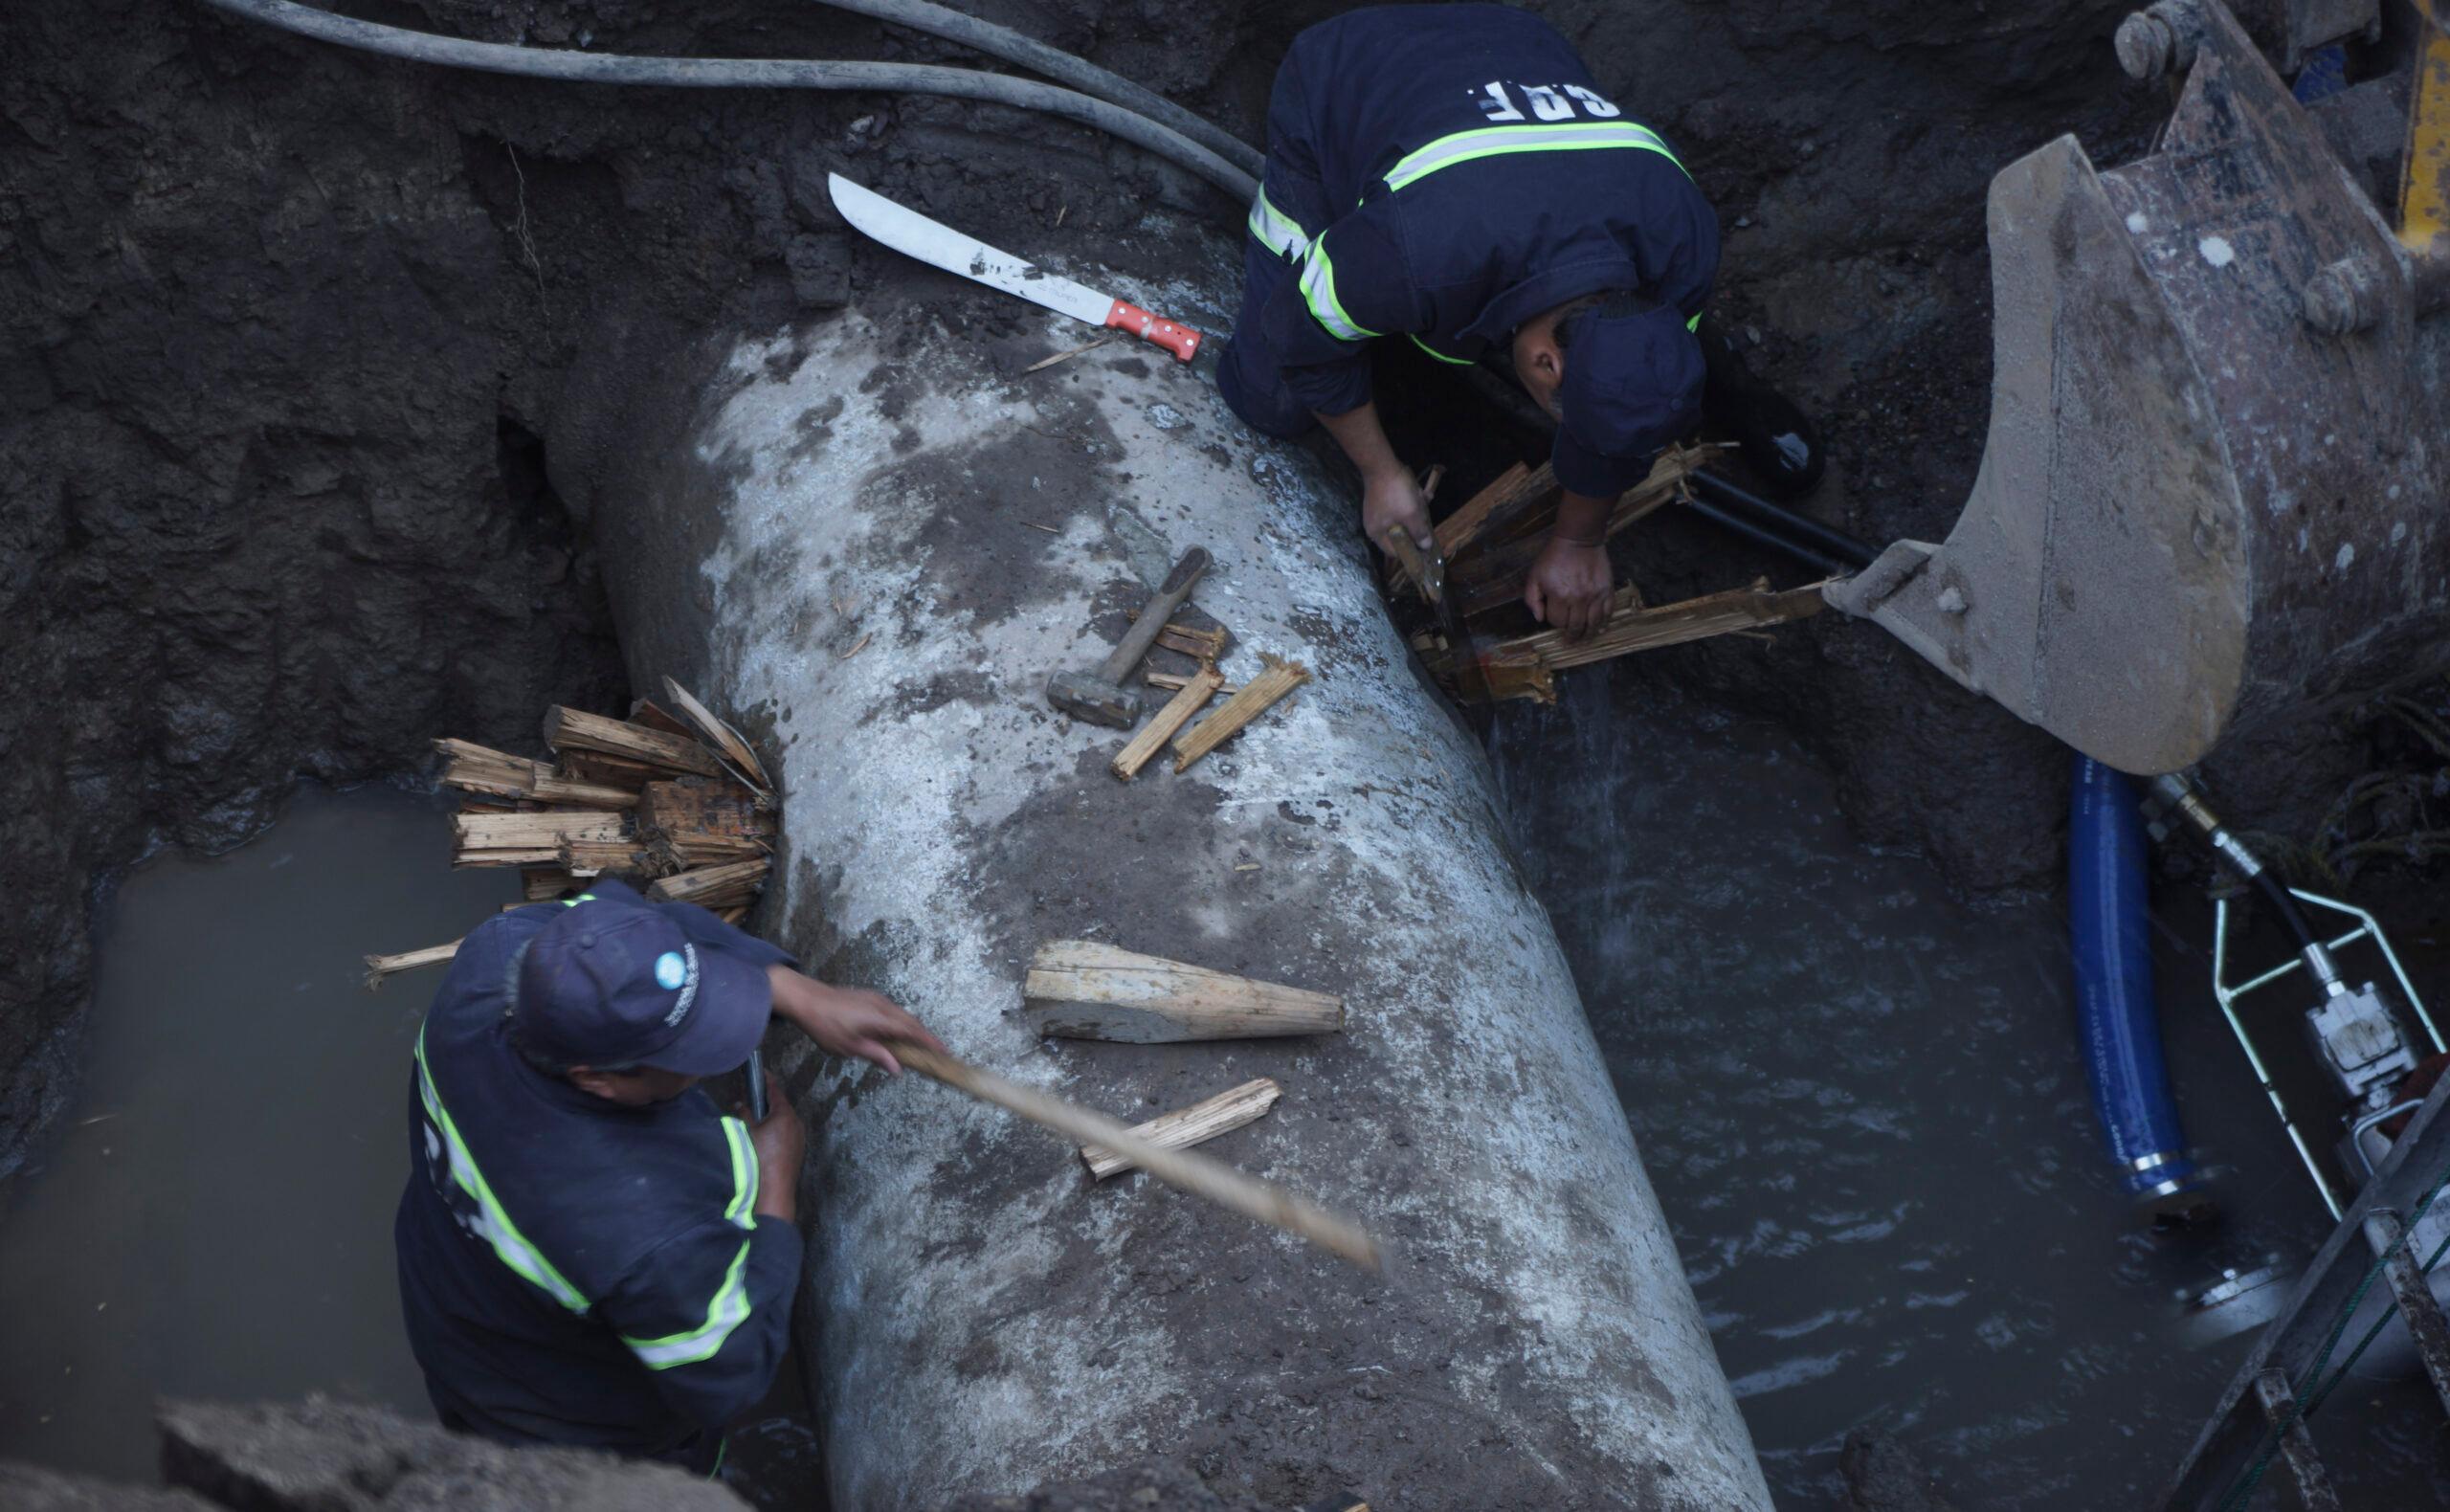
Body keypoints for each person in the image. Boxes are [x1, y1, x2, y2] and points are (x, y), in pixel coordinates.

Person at [393, 877, 941, 1474]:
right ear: (596, 1078)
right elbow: (726, 1370)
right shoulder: (645, 1229)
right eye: (686, 1054)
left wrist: (790, 989)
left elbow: (616, 922)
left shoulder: (493, 959)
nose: (719, 1054)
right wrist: (775, 1192)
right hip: (570, 1428)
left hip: (451, 1308)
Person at [1218, 3, 1720, 639]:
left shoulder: (1685, 245)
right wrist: (1379, 473)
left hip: (1513, 46)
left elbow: (1624, 416)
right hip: (1355, 66)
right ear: (1546, 361)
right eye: (1569, 415)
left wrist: (1580, 539)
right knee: (1273, 400)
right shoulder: (1415, 254)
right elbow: (1298, 331)